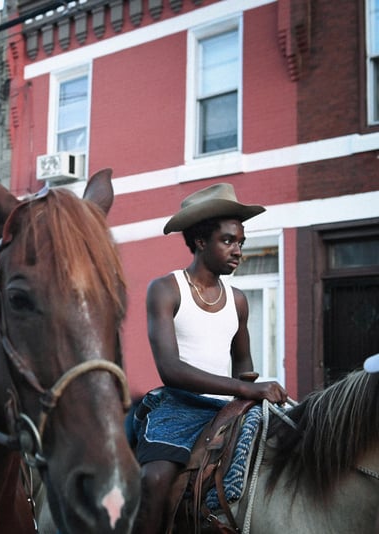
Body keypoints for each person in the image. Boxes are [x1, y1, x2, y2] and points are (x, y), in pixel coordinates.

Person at [131, 183, 288, 534]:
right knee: (155, 480)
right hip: (178, 406)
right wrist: (248, 389)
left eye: (241, 243)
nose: (238, 251)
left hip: (228, 412)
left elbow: (244, 367)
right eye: (228, 241)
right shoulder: (166, 289)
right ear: (201, 241)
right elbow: (170, 370)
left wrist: (251, 390)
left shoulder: (239, 300)